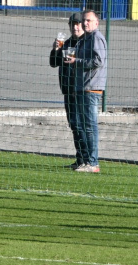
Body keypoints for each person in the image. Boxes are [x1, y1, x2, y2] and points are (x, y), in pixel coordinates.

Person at [63, 9, 106, 174]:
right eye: (84, 21)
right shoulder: (85, 39)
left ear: (96, 22)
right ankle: (84, 160)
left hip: (91, 88)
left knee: (89, 127)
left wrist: (76, 61)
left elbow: (98, 61)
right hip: (82, 88)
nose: (85, 23)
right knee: (82, 126)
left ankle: (93, 163)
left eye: (88, 20)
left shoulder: (96, 37)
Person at [49, 13, 83, 170]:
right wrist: (56, 49)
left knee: (81, 125)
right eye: (72, 24)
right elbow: (54, 63)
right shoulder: (68, 43)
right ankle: (80, 159)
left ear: (83, 25)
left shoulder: (86, 43)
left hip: (82, 91)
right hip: (68, 90)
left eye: (77, 24)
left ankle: (87, 159)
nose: (75, 27)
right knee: (74, 125)